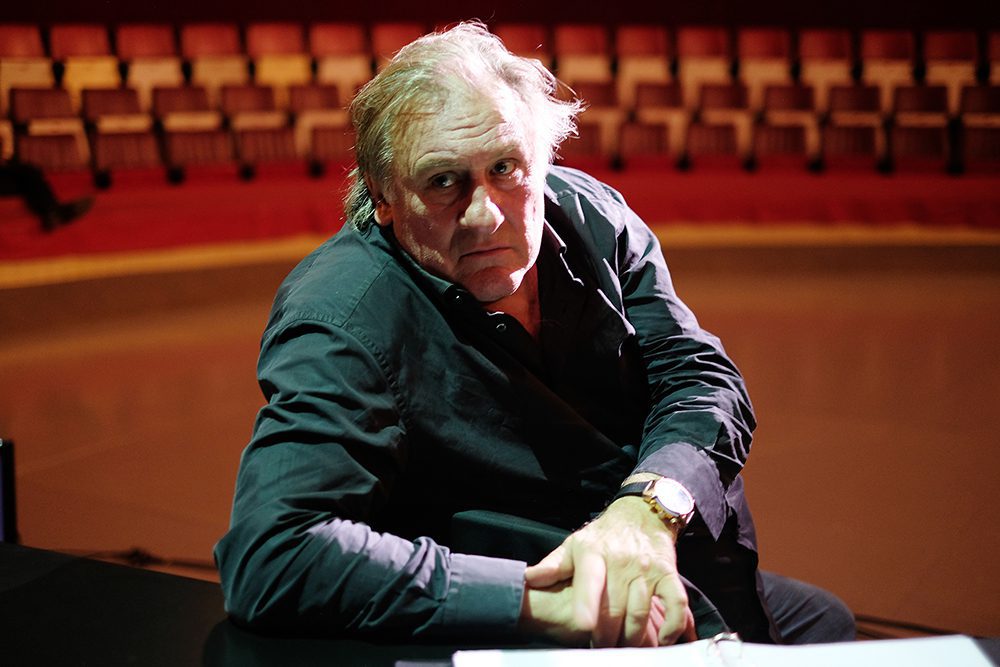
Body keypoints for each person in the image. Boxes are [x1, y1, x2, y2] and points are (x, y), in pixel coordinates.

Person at [214, 22, 854, 648]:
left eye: (506, 167)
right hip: (533, 617)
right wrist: (535, 602)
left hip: (682, 566)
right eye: (443, 181)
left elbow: (699, 378)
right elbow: (274, 552)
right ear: (382, 197)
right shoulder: (341, 316)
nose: (485, 214)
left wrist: (646, 510)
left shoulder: (593, 214)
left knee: (826, 622)